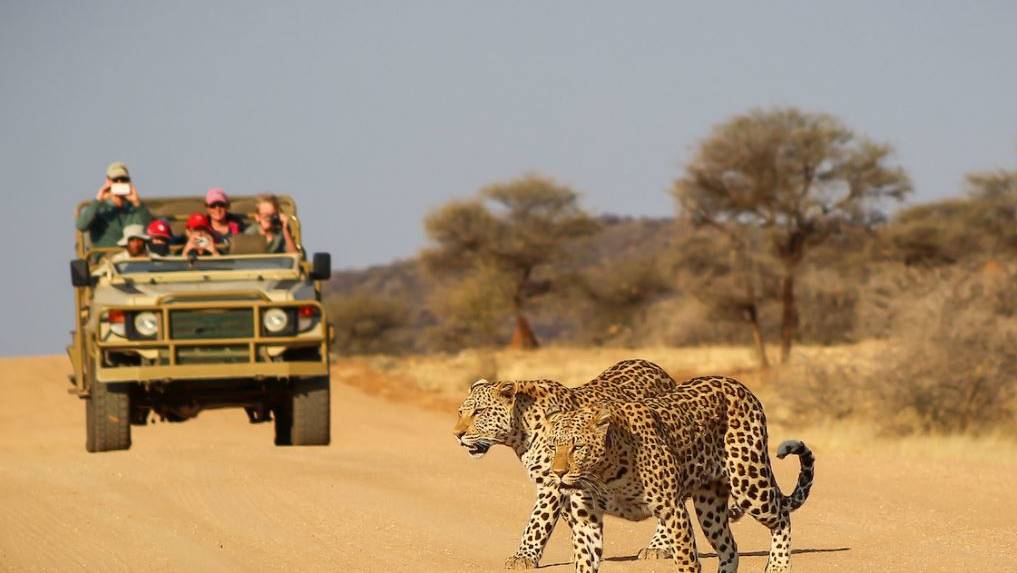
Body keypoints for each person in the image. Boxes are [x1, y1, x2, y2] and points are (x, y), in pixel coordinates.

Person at [76, 162, 153, 247]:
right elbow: (81, 226)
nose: (119, 182)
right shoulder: (99, 209)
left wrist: (137, 203)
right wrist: (98, 199)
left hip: (132, 254)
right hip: (107, 254)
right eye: (115, 180)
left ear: (129, 182)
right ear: (108, 182)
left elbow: (152, 230)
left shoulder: (136, 209)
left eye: (123, 180)